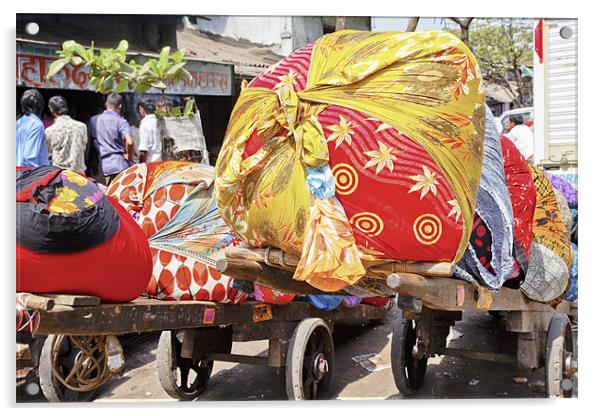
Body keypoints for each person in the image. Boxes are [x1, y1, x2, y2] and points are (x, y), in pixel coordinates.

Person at [94, 92, 134, 185]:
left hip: (102, 167)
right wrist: (130, 157)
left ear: (106, 104)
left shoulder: (94, 120)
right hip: (119, 166)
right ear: (120, 106)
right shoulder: (121, 121)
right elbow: (130, 142)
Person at [44, 96, 88, 174]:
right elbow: (83, 149)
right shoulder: (82, 127)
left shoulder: (50, 131)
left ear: (51, 110)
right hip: (80, 176)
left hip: (60, 176)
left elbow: (48, 152)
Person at [16, 89, 50, 167]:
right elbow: (29, 159)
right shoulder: (36, 125)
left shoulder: (18, 122)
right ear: (40, 106)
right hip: (29, 175)